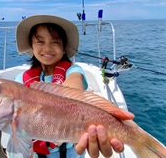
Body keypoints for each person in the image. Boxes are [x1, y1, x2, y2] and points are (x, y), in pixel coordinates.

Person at [14, 15, 134, 158]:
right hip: (37, 152)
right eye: (40, 42)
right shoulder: (20, 80)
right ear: (31, 46)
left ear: (64, 48)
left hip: (72, 150)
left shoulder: (73, 70)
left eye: (55, 42)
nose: (47, 48)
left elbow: (75, 83)